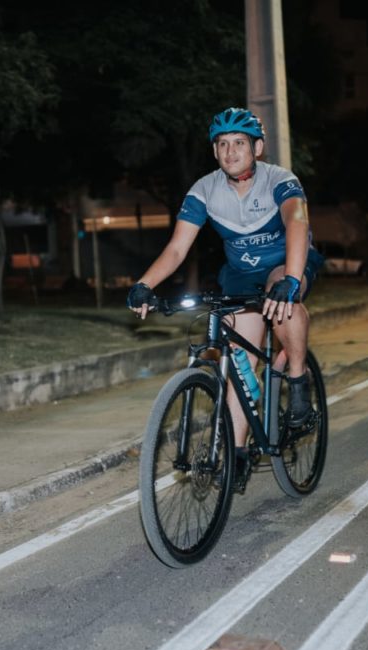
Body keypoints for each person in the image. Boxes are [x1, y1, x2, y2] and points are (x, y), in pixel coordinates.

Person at [126, 107, 323, 484]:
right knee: (239, 364)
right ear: (214, 151)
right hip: (240, 275)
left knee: (281, 297)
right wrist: (145, 284)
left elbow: (297, 223)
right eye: (222, 144)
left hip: (288, 261)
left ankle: (297, 381)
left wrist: (292, 279)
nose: (230, 151)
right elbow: (177, 249)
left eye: (239, 143)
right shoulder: (204, 189)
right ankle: (237, 451)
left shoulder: (280, 180)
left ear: (258, 147)